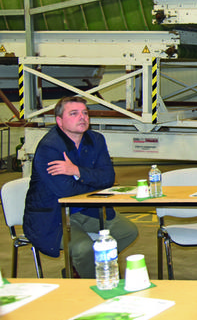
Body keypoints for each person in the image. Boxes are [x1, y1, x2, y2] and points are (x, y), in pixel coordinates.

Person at [23, 96, 139, 278]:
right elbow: (66, 191)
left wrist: (76, 170)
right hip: (54, 216)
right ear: (59, 121)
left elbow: (108, 178)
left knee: (128, 232)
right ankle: (98, 282)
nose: (82, 117)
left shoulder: (96, 140)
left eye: (85, 113)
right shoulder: (49, 147)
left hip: (88, 211)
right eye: (74, 113)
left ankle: (82, 268)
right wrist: (94, 183)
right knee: (82, 247)